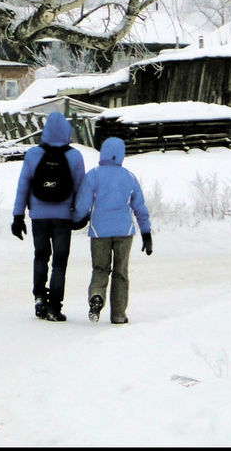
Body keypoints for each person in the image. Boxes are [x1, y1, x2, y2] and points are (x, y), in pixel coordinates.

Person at [11, 111, 86, 322]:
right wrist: (80, 216)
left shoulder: (33, 154)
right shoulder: (74, 156)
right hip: (63, 217)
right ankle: (54, 306)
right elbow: (81, 189)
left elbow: (23, 186)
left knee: (41, 256)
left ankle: (38, 296)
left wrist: (18, 215)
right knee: (60, 262)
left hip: (39, 217)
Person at [72, 136, 152, 325]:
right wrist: (146, 233)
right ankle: (118, 315)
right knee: (120, 273)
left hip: (99, 232)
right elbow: (140, 207)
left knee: (100, 269)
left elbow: (83, 205)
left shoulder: (93, 175)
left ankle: (97, 296)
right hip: (124, 231)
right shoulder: (128, 177)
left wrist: (74, 221)